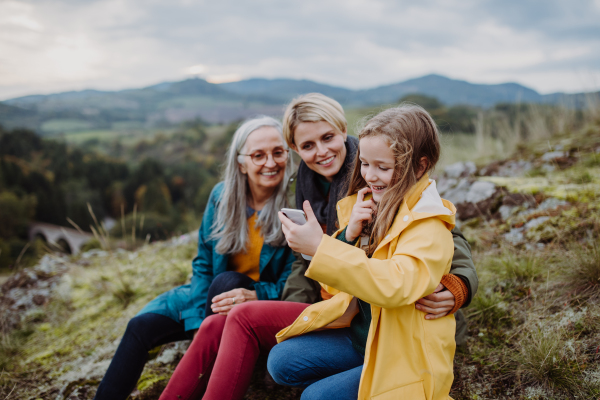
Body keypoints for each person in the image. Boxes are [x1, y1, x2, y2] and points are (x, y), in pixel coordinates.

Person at [158, 94, 477, 400]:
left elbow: (443, 235)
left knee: (247, 324)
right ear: (295, 149)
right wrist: (297, 320)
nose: (321, 151)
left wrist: (460, 283)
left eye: (327, 138)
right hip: (347, 307)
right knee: (225, 320)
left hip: (381, 315)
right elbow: (304, 261)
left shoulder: (377, 173)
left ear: (343, 131)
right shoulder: (313, 184)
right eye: (307, 145)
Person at [93, 116, 296, 400]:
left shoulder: (296, 206)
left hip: (258, 304)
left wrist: (256, 294)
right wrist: (203, 318)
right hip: (210, 297)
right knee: (139, 327)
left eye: (278, 152)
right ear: (241, 163)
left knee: (227, 281)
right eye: (258, 155)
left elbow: (292, 282)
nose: (270, 162)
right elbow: (203, 263)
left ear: (288, 154)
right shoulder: (221, 197)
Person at [268, 104, 457, 400]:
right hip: (366, 336)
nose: (370, 175)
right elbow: (335, 285)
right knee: (281, 362)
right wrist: (348, 235)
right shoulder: (367, 206)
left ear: (419, 167)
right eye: (365, 164)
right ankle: (356, 379)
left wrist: (321, 248)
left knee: (315, 398)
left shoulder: (428, 223)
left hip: (402, 352)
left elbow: (394, 285)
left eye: (383, 167)